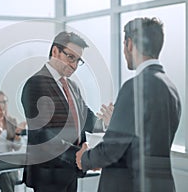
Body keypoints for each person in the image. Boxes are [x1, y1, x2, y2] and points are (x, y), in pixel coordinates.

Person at [76, 17, 181, 192]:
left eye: (124, 45)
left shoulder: (134, 87)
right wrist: (115, 122)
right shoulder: (171, 88)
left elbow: (112, 149)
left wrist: (85, 158)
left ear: (130, 44)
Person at [21, 31, 114, 192]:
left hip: (70, 171)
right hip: (48, 175)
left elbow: (86, 119)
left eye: (78, 60)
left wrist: (105, 123)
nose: (74, 65)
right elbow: (43, 135)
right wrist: (78, 155)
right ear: (55, 52)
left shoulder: (72, 86)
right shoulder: (35, 84)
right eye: (70, 57)